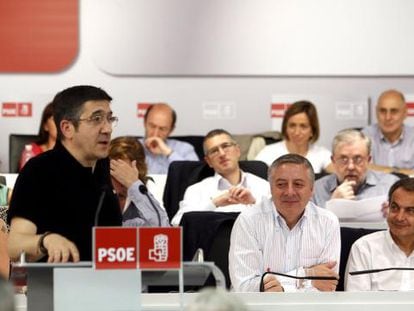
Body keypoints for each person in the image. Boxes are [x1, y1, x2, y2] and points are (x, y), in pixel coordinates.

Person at [7, 85, 122, 263]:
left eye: (109, 118)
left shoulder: (106, 168)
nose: (107, 128)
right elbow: (14, 245)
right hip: (54, 285)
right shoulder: (39, 170)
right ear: (67, 128)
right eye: (97, 119)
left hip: (110, 282)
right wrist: (45, 240)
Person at [229, 154, 340, 292]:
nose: (289, 192)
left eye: (298, 184)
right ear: (271, 188)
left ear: (312, 189)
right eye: (281, 184)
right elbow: (245, 287)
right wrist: (306, 275)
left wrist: (280, 287)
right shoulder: (249, 221)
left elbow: (326, 285)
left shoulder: (328, 222)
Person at [171, 129, 270, 226]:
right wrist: (214, 204)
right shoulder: (196, 190)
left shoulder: (262, 185)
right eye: (214, 151)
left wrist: (254, 204)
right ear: (208, 161)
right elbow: (177, 223)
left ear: (237, 150)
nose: (222, 154)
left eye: (225, 146)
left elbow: (280, 220)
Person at [345, 178, 414, 291]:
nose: (399, 217)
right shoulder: (365, 247)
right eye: (395, 208)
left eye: (410, 210)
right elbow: (357, 304)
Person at [312, 129, 399, 208]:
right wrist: (332, 206)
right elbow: (308, 225)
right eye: (343, 159)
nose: (351, 167)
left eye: (358, 159)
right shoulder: (316, 190)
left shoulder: (391, 186)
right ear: (333, 161)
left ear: (368, 160)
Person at [255, 101, 332, 174]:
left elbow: (339, 175)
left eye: (303, 126)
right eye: (292, 125)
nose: (297, 132)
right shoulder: (269, 152)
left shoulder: (321, 153)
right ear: (285, 127)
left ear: (312, 131)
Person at [109, 136, 170, 227]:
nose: (120, 176)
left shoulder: (145, 197)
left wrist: (133, 184)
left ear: (139, 171)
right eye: (114, 169)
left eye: (125, 171)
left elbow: (162, 231)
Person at [362, 89, 414, 176]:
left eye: (394, 111)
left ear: (405, 113)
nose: (388, 117)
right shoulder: (364, 137)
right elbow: (358, 169)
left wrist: (381, 170)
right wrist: (401, 172)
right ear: (376, 112)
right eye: (383, 111)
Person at [140, 103, 199, 174]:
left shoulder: (185, 149)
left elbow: (195, 175)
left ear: (171, 130)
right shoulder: (131, 147)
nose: (155, 134)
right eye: (152, 126)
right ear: (144, 123)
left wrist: (168, 152)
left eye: (162, 129)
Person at [19, 102, 57, 171]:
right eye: (54, 119)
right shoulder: (31, 151)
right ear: (45, 126)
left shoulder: (73, 151)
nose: (59, 123)